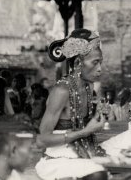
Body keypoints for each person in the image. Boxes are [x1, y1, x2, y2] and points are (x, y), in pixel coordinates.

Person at [35, 29, 107, 180]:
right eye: (95, 62)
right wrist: (85, 132)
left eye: (100, 62)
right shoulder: (61, 91)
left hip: (84, 153)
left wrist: (100, 116)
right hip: (58, 159)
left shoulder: (89, 86)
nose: (100, 69)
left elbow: (83, 124)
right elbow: (41, 141)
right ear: (78, 63)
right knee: (98, 174)